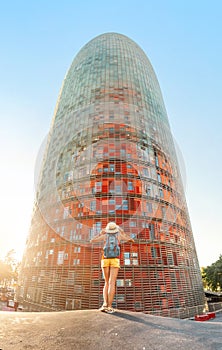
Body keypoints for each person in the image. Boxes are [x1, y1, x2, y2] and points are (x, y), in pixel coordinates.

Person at [90, 221, 134, 313]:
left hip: (105, 259)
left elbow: (92, 240)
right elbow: (131, 240)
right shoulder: (119, 236)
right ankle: (110, 306)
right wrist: (122, 233)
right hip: (115, 259)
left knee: (106, 282)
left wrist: (100, 233)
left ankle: (104, 304)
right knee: (112, 283)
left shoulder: (105, 236)